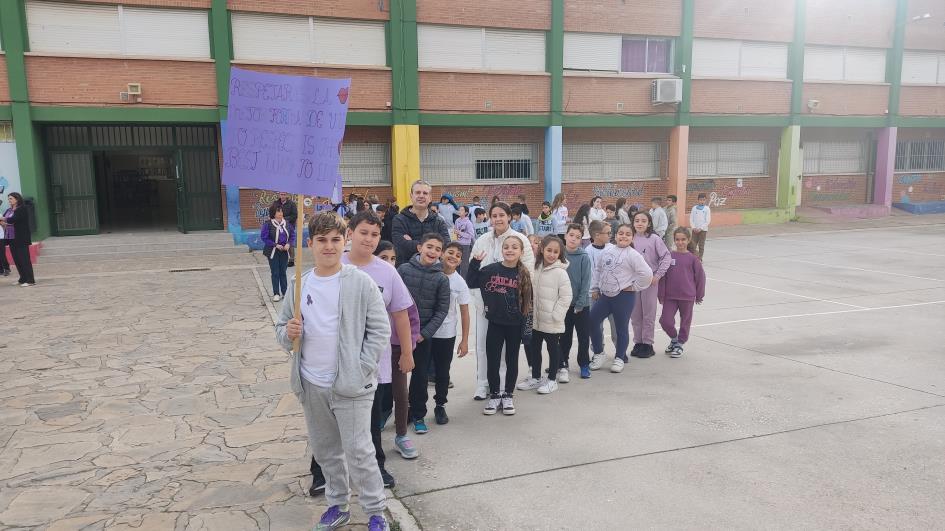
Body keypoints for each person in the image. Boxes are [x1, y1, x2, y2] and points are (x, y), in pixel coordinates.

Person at [275, 212, 391, 531]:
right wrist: (289, 333)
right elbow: (281, 328)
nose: (329, 246)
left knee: (359, 452)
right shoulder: (299, 284)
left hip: (351, 386)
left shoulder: (360, 282)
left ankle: (375, 512)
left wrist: (360, 368)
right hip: (312, 383)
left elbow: (379, 330)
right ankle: (338, 505)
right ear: (310, 243)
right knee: (326, 451)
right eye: (322, 240)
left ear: (345, 241)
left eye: (335, 240)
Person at [468, 202, 536, 400]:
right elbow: (473, 272)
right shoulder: (482, 240)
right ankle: (483, 384)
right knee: (483, 346)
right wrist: (479, 299)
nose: (498, 219)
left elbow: (528, 274)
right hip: (485, 305)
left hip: (509, 307)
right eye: (494, 215)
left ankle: (503, 387)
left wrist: (518, 302)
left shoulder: (520, 240)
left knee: (506, 350)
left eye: (501, 215)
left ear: (509, 217)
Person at [372, 241, 422, 462]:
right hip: (373, 349)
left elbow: (411, 319)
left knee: (400, 393)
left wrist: (407, 350)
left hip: (396, 348)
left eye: (393, 259)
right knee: (373, 394)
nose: (389, 263)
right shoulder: (365, 282)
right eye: (383, 258)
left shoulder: (397, 284)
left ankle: (401, 435)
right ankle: (372, 432)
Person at [397, 233, 451, 434]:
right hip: (398, 334)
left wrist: (424, 334)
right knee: (393, 376)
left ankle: (418, 414)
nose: (433, 251)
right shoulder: (403, 270)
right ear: (419, 248)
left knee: (420, 378)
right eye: (429, 246)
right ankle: (389, 411)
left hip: (422, 337)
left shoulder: (441, 278)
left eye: (438, 249)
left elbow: (441, 311)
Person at [587, 224, 653, 374]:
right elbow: (598, 270)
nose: (624, 236)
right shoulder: (607, 251)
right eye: (621, 233)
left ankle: (619, 357)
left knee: (621, 328)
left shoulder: (633, 255)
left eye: (628, 234)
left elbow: (647, 274)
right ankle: (599, 353)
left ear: (632, 237)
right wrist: (595, 288)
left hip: (623, 297)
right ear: (615, 236)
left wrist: (634, 287)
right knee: (592, 321)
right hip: (605, 296)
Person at [518, 235, 572, 395]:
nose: (552, 254)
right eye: (549, 250)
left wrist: (556, 316)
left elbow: (566, 297)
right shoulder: (534, 267)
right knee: (535, 348)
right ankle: (536, 377)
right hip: (535, 319)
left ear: (560, 254)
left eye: (556, 252)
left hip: (551, 321)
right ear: (542, 249)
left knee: (553, 349)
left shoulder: (561, 273)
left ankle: (552, 380)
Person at [429, 242, 471, 424]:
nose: (453, 257)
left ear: (460, 261)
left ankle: (440, 405)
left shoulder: (459, 283)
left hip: (446, 334)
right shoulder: (429, 272)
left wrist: (464, 340)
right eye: (450, 252)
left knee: (442, 372)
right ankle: (415, 407)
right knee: (420, 371)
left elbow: (464, 312)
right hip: (425, 332)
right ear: (442, 254)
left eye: (458, 255)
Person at [628, 211, 672, 359]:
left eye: (643, 220)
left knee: (648, 313)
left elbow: (666, 257)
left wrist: (657, 275)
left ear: (649, 223)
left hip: (650, 282)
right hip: (633, 282)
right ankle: (638, 342)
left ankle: (647, 343)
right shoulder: (630, 238)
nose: (640, 223)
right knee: (635, 315)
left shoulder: (654, 239)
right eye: (637, 220)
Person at [659, 227, 706, 359]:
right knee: (665, 321)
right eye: (677, 239)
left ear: (688, 240)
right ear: (674, 240)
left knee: (685, 322)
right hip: (670, 296)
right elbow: (663, 277)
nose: (680, 242)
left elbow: (700, 278)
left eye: (683, 239)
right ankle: (674, 339)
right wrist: (661, 294)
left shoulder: (693, 259)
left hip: (687, 296)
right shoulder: (669, 256)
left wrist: (699, 295)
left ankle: (680, 344)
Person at [559, 224, 592, 379]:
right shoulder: (559, 254)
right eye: (571, 235)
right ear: (565, 236)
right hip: (563, 305)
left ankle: (584, 364)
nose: (573, 239)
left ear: (581, 240)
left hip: (581, 305)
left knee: (583, 337)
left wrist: (580, 303)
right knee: (564, 337)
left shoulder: (584, 257)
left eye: (578, 237)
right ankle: (562, 362)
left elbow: (586, 282)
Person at [391, 180, 451, 266]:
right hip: (406, 270)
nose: (421, 196)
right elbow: (400, 245)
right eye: (418, 192)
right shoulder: (399, 219)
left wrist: (412, 243)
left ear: (430, 198)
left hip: (432, 271)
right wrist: (434, 247)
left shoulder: (439, 221)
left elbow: (446, 245)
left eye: (425, 193)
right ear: (411, 196)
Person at [260, 204, 294, 302]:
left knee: (283, 272)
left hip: (284, 251)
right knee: (275, 272)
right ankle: (276, 293)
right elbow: (264, 237)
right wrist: (275, 245)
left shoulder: (287, 223)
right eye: (278, 211)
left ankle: (285, 292)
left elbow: (292, 235)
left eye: (281, 211)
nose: (280, 213)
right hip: (273, 251)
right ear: (273, 213)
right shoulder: (268, 224)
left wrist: (288, 244)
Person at [1, 193, 33, 286]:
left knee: (24, 260)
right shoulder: (9, 210)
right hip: (11, 238)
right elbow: (5, 220)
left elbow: (13, 219)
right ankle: (22, 279)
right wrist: (4, 221)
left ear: (17, 199)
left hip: (21, 238)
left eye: (11, 198)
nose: (9, 200)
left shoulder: (22, 209)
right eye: (8, 199)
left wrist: (4, 220)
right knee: (17, 260)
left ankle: (30, 280)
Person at [270, 192, 299, 267]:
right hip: (277, 225)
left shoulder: (292, 204)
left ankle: (291, 260)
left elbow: (294, 215)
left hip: (289, 226)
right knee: (278, 240)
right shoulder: (275, 203)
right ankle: (280, 257)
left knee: (290, 242)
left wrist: (283, 219)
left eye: (284, 194)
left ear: (287, 195)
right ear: (279, 195)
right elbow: (272, 213)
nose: (282, 196)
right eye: (281, 194)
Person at [453, 205, 475, 277]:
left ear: (466, 213)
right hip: (457, 244)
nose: (459, 211)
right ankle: (456, 277)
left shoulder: (468, 223)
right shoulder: (457, 220)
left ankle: (464, 279)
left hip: (465, 245)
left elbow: (471, 235)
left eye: (462, 210)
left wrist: (460, 233)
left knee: (464, 263)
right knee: (456, 261)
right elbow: (455, 231)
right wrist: (454, 240)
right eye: (459, 210)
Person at [690, 193, 711, 259]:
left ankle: (700, 258)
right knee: (693, 245)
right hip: (694, 230)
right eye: (701, 200)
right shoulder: (694, 208)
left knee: (701, 245)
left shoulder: (707, 209)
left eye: (703, 200)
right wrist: (693, 227)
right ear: (698, 200)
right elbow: (691, 219)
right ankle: (693, 257)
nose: (702, 201)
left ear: (706, 200)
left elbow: (707, 220)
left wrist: (701, 228)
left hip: (703, 230)